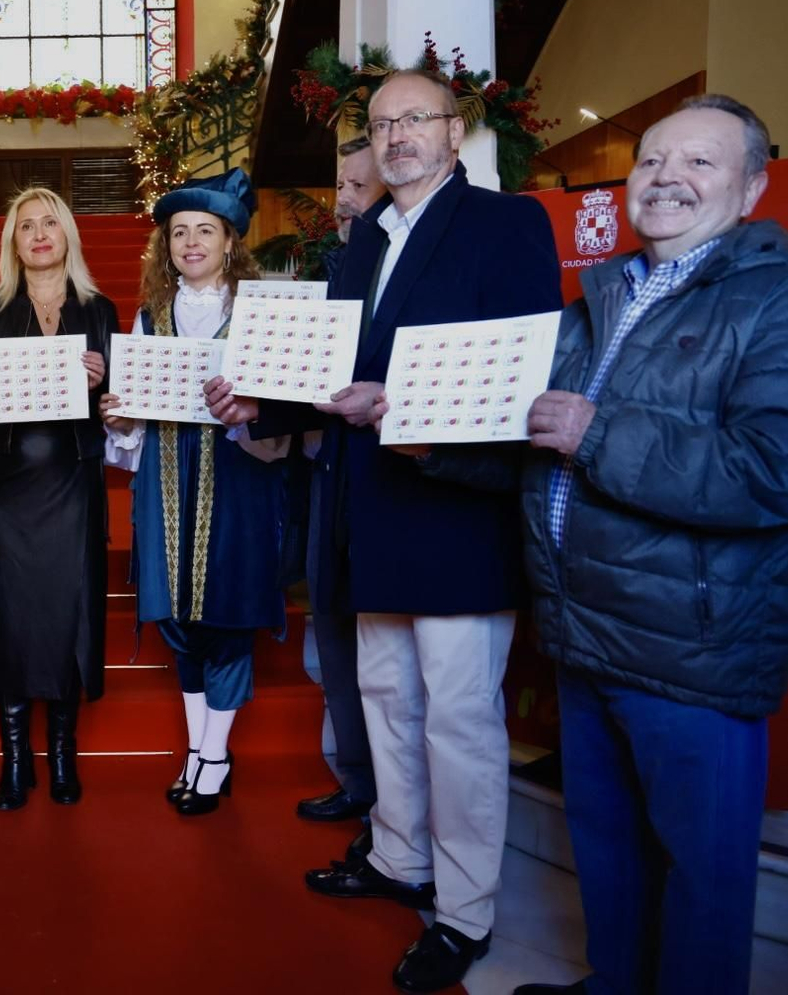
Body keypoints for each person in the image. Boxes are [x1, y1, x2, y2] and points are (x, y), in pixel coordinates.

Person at [396, 96, 788, 995]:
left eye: (700, 163)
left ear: (754, 186)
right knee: (608, 853)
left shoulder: (787, 299)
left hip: (694, 648)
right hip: (586, 632)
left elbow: (779, 471)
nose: (667, 177)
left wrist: (599, 432)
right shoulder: (596, 301)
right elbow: (534, 447)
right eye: (650, 161)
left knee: (700, 881)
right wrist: (435, 442)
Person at [207, 69, 560, 992]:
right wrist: (262, 397)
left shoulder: (506, 225)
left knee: (459, 721)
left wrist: (397, 404)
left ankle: (466, 909)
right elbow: (338, 370)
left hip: (453, 510)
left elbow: (517, 375)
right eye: (381, 123)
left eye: (416, 119)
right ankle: (400, 858)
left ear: (455, 131)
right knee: (388, 702)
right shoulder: (363, 239)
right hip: (368, 506)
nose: (397, 135)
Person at [99, 168, 289, 815]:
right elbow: (131, 414)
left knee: (227, 615)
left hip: (238, 477)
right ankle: (198, 749)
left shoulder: (260, 311)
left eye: (204, 230)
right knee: (178, 618)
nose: (190, 242)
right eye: (179, 231)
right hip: (165, 474)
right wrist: (118, 416)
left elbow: (285, 407)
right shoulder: (150, 314)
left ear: (231, 240)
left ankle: (215, 753)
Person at [0, 187, 117, 810]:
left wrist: (108, 387)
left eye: (51, 223)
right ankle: (16, 759)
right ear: (12, 242)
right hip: (5, 490)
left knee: (68, 616)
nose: (40, 234)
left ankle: (64, 757)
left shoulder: (99, 309)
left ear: (68, 235)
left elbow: (117, 411)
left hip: (72, 486)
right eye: (27, 226)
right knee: (11, 621)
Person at [295, 136, 387, 841]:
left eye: (358, 185)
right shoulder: (334, 268)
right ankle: (358, 781)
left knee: (385, 657)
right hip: (329, 471)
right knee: (329, 628)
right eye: (339, 185)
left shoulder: (400, 266)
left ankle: (390, 805)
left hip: (392, 478)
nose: (343, 199)